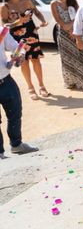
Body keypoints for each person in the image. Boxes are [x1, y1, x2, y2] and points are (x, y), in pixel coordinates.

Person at [1, 0, 50, 100]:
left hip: (31, 33)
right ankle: (30, 88)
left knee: (36, 59)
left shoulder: (27, 0)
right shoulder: (5, 6)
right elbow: (4, 27)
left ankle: (42, 86)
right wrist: (18, 22)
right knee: (24, 62)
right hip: (16, 38)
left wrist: (43, 20)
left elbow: (37, 12)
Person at [0, 30, 38, 158]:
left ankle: (16, 145)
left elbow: (17, 48)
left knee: (15, 113)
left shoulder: (1, 31)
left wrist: (20, 55)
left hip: (6, 80)